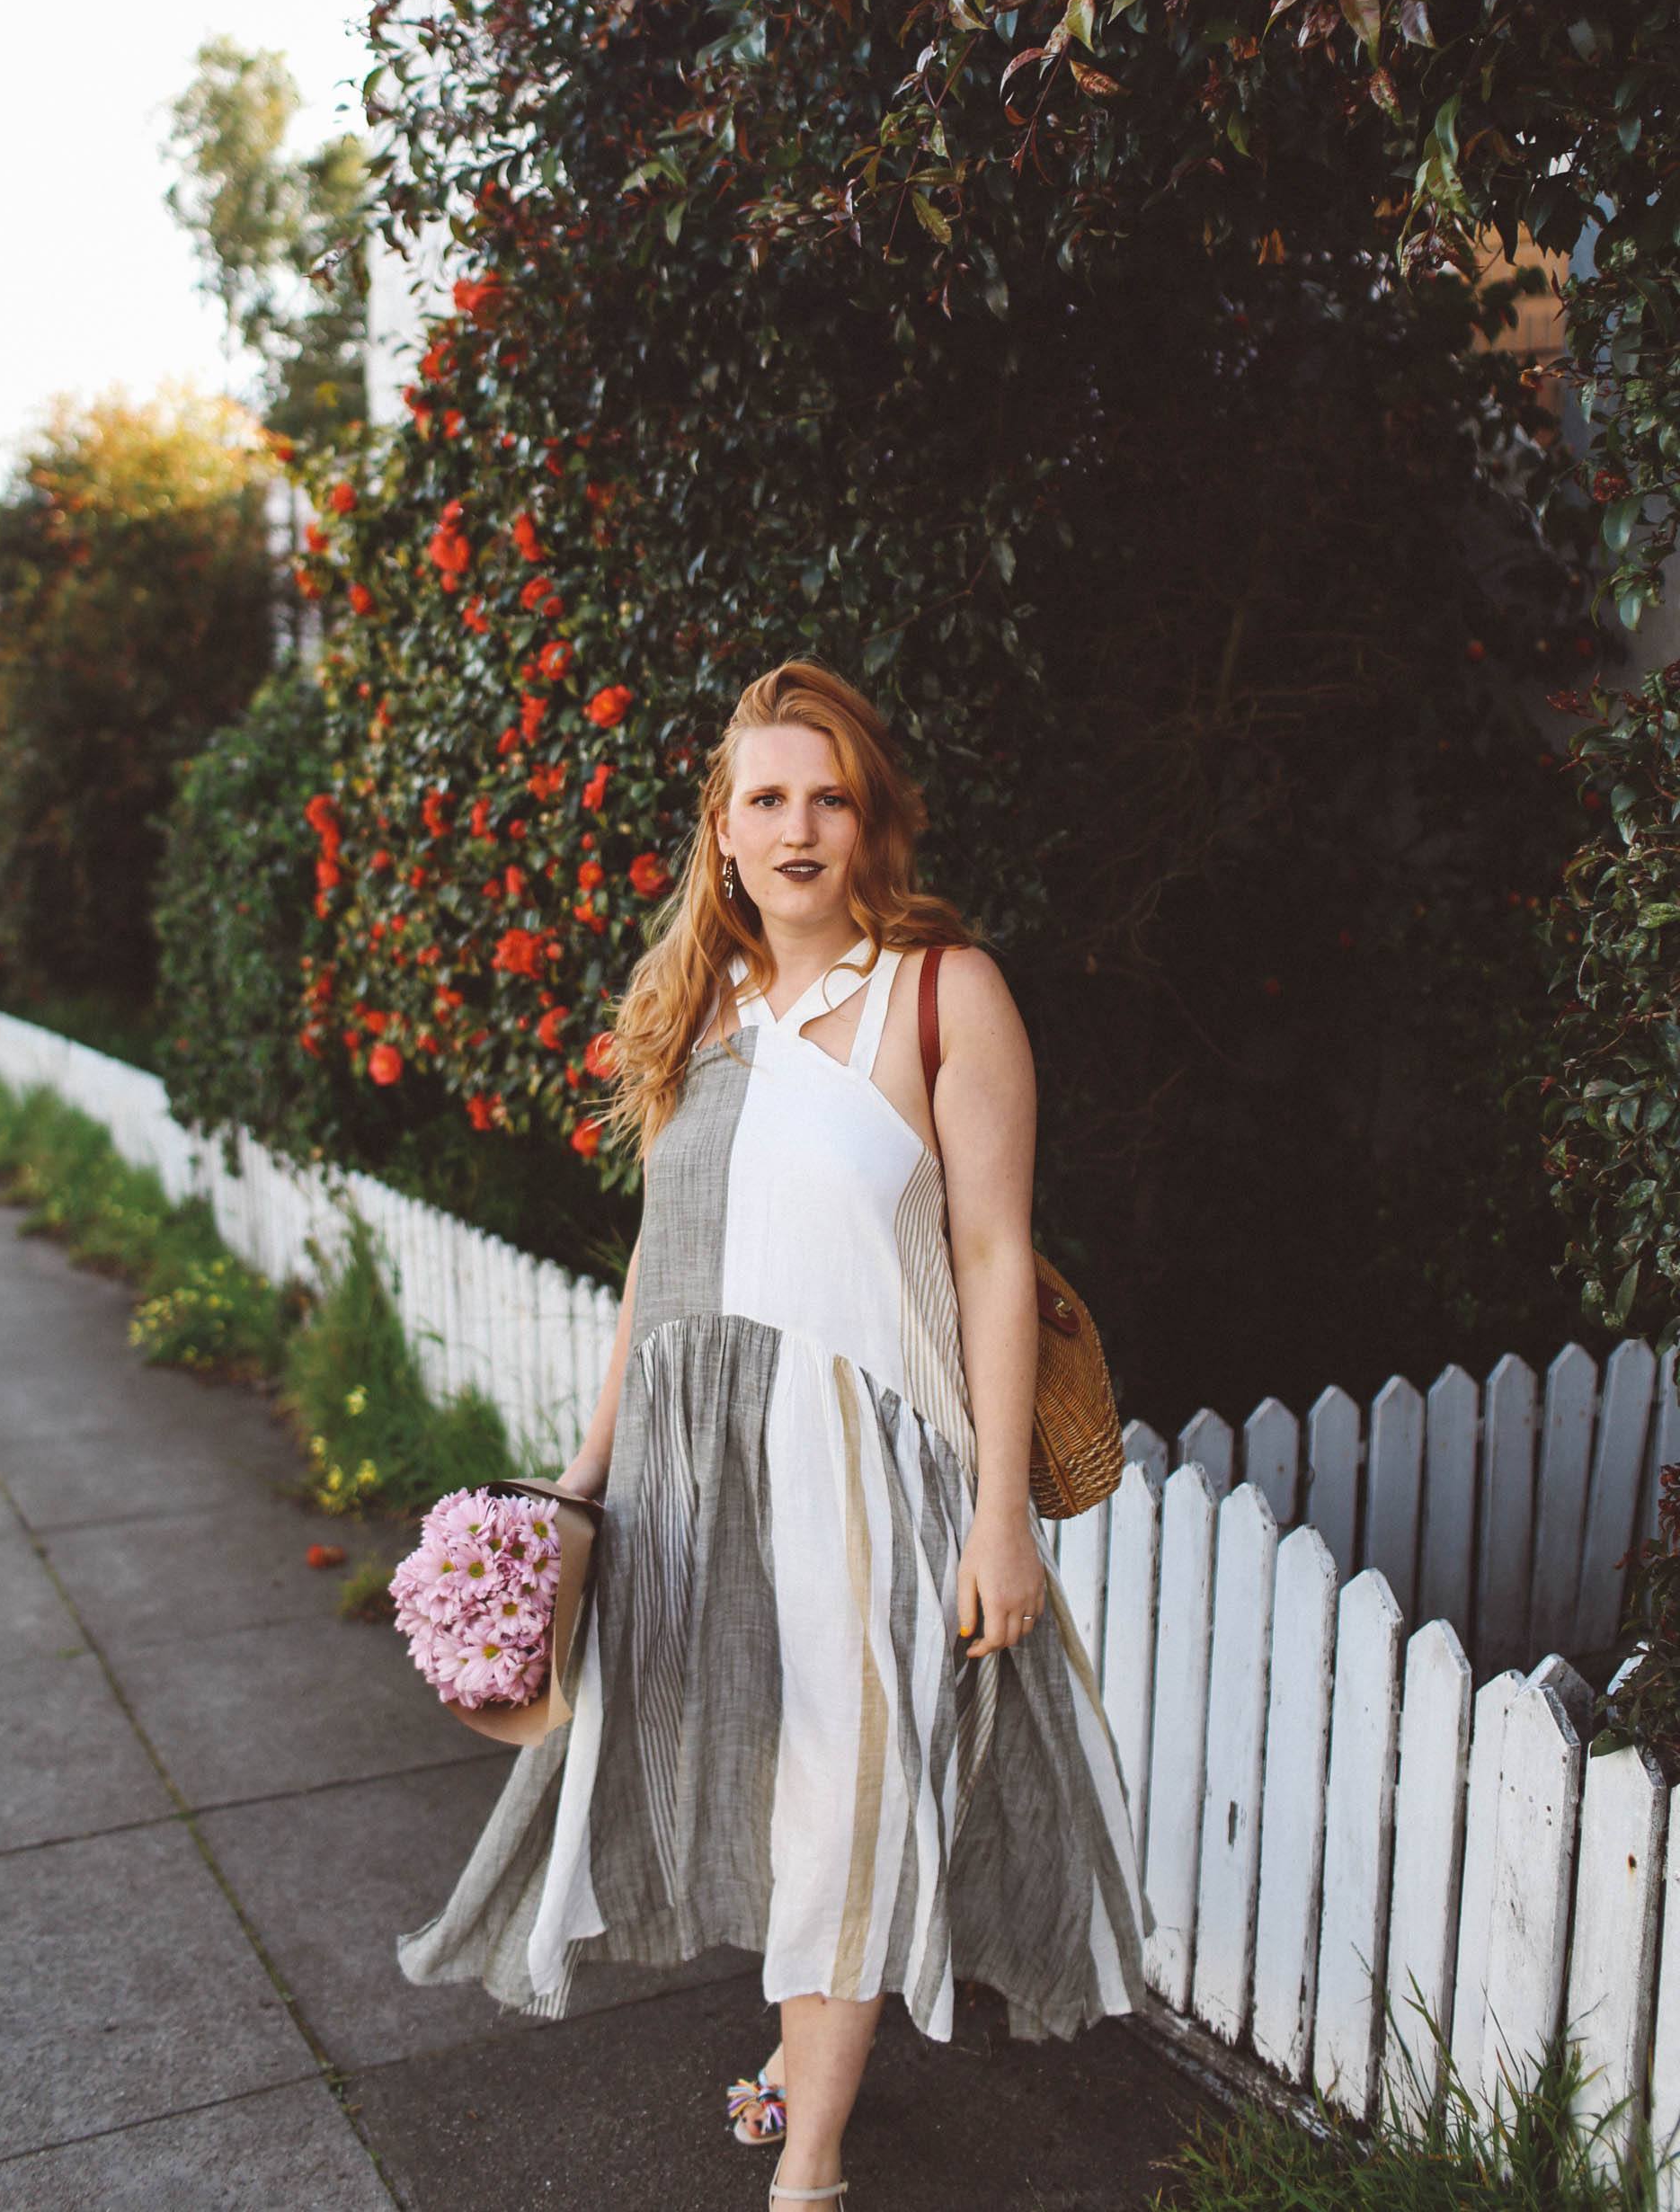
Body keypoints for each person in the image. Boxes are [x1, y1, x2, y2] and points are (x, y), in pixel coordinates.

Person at [397, 658, 1152, 2208]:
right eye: (768, 799)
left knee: (854, 1789)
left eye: (831, 797)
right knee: (751, 1769)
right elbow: (659, 1272)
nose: (799, 826)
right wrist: (589, 1473)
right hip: (701, 1462)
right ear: (723, 831)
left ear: (870, 821)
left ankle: (807, 2167)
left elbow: (998, 1257)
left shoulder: (946, 991)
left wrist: (999, 1516)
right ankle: (804, 2057)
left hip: (872, 1465)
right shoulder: (704, 1005)